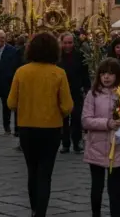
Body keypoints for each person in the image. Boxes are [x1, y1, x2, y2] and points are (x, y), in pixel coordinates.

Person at [8, 32, 74, 217]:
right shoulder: (59, 73)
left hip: (27, 128)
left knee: (32, 170)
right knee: (45, 173)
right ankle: (41, 213)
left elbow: (11, 103)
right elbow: (67, 106)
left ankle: (34, 208)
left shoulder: (21, 72)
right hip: (51, 129)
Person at [81, 57, 120, 217]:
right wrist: (107, 123)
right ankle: (96, 213)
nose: (106, 77)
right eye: (103, 73)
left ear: (117, 76)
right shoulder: (92, 95)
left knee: (114, 189)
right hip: (96, 147)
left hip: (117, 147)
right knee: (97, 187)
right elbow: (86, 120)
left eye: (111, 74)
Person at [58, 32, 91, 154]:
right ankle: (65, 143)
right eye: (65, 43)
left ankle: (76, 142)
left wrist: (87, 88)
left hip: (76, 90)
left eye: (70, 43)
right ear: (61, 43)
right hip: (61, 91)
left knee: (77, 117)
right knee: (64, 119)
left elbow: (85, 73)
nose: (68, 45)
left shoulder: (80, 55)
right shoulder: (57, 56)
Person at [0, 30, 20, 136]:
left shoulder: (12, 50)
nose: (0, 40)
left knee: (7, 107)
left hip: (7, 83)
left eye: (2, 38)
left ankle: (7, 127)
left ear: (5, 38)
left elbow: (15, 66)